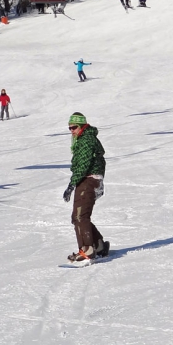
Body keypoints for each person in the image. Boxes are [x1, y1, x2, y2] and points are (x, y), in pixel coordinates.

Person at [63, 112, 109, 262]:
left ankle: (87, 249)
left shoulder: (86, 140)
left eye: (74, 127)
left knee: (79, 216)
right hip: (89, 179)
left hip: (88, 179)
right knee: (80, 216)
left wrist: (72, 184)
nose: (71, 130)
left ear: (82, 126)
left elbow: (83, 164)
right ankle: (98, 244)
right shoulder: (84, 139)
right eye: (69, 128)